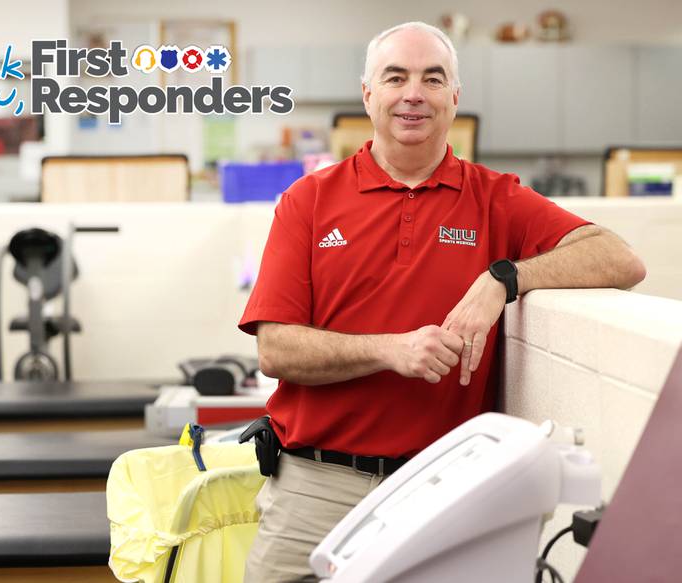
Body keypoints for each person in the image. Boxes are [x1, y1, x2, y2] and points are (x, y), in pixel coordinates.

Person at [238, 21, 646, 583]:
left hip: (442, 489)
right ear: (368, 94)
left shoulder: (496, 198)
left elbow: (620, 259)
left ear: (454, 97)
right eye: (396, 77)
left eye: (433, 78)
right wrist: (391, 350)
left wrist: (503, 278)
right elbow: (276, 349)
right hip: (314, 489)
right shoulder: (307, 202)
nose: (413, 93)